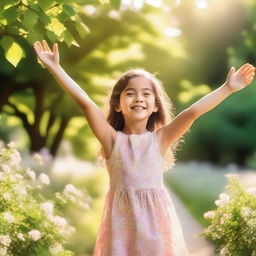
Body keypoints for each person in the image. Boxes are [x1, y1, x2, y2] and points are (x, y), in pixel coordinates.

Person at [33, 40, 255, 256]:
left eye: (146, 93)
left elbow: (192, 112)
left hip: (156, 229)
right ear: (117, 105)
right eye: (130, 93)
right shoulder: (112, 140)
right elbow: (86, 103)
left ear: (155, 106)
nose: (138, 98)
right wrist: (55, 68)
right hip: (121, 231)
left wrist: (227, 88)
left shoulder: (160, 139)